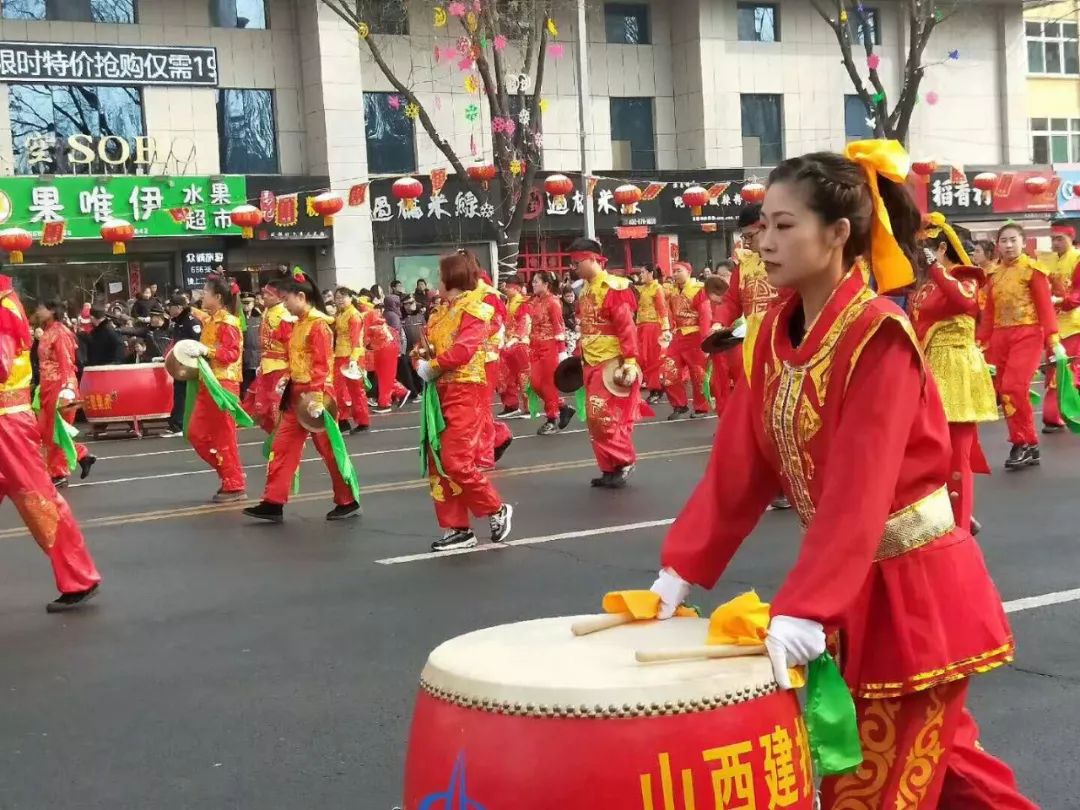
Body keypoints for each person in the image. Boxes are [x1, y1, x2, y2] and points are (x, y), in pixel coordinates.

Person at [651, 143, 1037, 810]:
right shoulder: (773, 332)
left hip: (912, 598)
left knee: (870, 789)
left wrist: (804, 605)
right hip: (852, 592)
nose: (765, 242)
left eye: (784, 225)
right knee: (953, 783)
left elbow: (862, 488)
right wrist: (681, 568)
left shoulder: (877, 337)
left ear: (837, 235)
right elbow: (740, 463)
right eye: (761, 226)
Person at [0, 276, 101, 612]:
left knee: (40, 503)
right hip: (20, 412)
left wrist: (67, 394)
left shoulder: (4, 309)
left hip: (8, 425)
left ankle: (79, 577)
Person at [244, 270, 361, 523]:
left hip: (317, 395)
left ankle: (347, 499)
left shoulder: (319, 326)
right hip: (296, 393)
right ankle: (273, 501)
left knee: (329, 449)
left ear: (300, 296)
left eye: (286, 299)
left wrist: (318, 397)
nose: (284, 304)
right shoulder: (297, 325)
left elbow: (322, 364)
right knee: (282, 446)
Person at [415, 252, 513, 552]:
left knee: (455, 460)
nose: (436, 281)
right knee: (437, 461)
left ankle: (496, 508)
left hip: (465, 388)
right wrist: (420, 357)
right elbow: (426, 347)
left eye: (439, 275)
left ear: (451, 278)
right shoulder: (441, 311)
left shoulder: (476, 309)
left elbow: (463, 351)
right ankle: (457, 527)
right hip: (439, 389)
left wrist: (432, 366)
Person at [910, 214, 997, 535]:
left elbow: (964, 301)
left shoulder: (965, 276)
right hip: (930, 366)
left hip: (958, 368)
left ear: (941, 247)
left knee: (957, 453)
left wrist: (935, 266)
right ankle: (950, 510)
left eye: (924, 248)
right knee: (930, 449)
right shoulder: (923, 286)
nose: (917, 255)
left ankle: (960, 520)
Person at [978, 222, 1063, 469]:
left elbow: (1045, 308)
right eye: (1004, 240)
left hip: (1028, 333)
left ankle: (1021, 442)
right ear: (997, 245)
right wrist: (980, 342)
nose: (1009, 245)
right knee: (1004, 391)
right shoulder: (993, 274)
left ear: (1023, 242)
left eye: (1013, 240)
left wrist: (1053, 341)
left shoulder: (1032, 270)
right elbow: (989, 313)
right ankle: (1029, 443)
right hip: (999, 336)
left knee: (1014, 386)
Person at [569, 237, 642, 488]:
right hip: (591, 361)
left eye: (577, 262)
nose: (574, 267)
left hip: (611, 362)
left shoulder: (614, 287)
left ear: (593, 259)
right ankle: (610, 467)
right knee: (594, 419)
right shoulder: (586, 289)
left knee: (601, 415)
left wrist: (630, 361)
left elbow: (626, 328)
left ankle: (625, 459)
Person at [186, 277, 246, 502]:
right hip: (208, 382)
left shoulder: (228, 322)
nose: (203, 296)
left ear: (218, 297)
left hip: (224, 385)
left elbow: (231, 355)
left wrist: (206, 351)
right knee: (196, 434)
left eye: (206, 292)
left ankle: (234, 482)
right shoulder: (211, 320)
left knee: (224, 437)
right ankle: (229, 474)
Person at [35, 299, 96, 486]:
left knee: (55, 431)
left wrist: (68, 390)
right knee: (47, 432)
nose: (37, 311)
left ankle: (59, 474)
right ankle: (82, 455)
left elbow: (67, 364)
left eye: (40, 308)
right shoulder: (47, 331)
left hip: (61, 389)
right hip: (46, 387)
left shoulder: (61, 333)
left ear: (52, 310)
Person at [1042, 224, 1080, 433]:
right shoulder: (1050, 261)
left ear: (1070, 237)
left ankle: (1054, 415)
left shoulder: (1077, 259)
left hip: (1072, 324)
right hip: (1053, 324)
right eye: (1052, 238)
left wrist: (1060, 300)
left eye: (1059, 238)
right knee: (1055, 370)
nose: (1054, 243)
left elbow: (1078, 292)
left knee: (1063, 369)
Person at [661, 261, 711, 419]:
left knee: (698, 374)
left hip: (695, 335)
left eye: (678, 271)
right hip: (678, 335)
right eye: (673, 271)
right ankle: (679, 405)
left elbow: (705, 315)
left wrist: (705, 340)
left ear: (689, 272)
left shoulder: (699, 290)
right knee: (669, 370)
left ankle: (701, 407)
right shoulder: (673, 291)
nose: (675, 274)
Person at [242, 278, 292, 435]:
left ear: (279, 297)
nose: (264, 297)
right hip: (266, 365)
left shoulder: (284, 315)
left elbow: (290, 344)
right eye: (264, 294)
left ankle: (284, 438)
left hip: (280, 367)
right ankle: (276, 437)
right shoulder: (267, 311)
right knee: (262, 406)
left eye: (268, 294)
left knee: (276, 405)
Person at [528, 271, 573, 435]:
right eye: (533, 281)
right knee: (534, 383)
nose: (533, 284)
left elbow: (558, 326)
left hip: (549, 347)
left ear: (546, 284)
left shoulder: (553, 302)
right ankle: (562, 406)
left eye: (536, 281)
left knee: (547, 385)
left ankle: (552, 418)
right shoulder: (535, 301)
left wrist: (561, 352)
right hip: (534, 347)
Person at [163, 294, 204, 437]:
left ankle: (180, 423)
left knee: (186, 393)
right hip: (180, 362)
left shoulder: (191, 323)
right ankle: (177, 423)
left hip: (190, 364)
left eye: (171, 307)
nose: (169, 309)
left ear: (179, 307)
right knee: (179, 393)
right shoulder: (178, 322)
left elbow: (197, 343)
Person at [333, 287, 371, 434]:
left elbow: (356, 340)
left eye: (343, 297)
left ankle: (363, 421)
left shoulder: (354, 316)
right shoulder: (340, 313)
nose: (340, 300)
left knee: (356, 390)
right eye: (337, 297)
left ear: (351, 298)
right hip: (339, 355)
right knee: (338, 390)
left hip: (352, 356)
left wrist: (354, 359)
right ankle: (342, 420)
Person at [636, 265, 671, 405]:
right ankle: (654, 387)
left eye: (643, 272)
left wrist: (665, 329)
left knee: (652, 359)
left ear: (651, 273)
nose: (641, 275)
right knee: (643, 359)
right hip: (641, 326)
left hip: (653, 327)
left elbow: (662, 310)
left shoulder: (657, 289)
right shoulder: (643, 288)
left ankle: (656, 389)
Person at [497, 275, 531, 418]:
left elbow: (525, 323)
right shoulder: (508, 302)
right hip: (508, 344)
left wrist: (514, 339)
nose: (506, 289)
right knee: (506, 376)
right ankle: (512, 405)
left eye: (508, 287)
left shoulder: (523, 303)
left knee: (523, 376)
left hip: (520, 343)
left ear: (515, 287)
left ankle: (528, 408)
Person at [241, 295, 261, 399]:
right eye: (243, 303)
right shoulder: (239, 320)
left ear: (253, 304)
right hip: (245, 360)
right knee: (246, 388)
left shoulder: (259, 319)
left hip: (258, 359)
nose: (246, 306)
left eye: (248, 303)